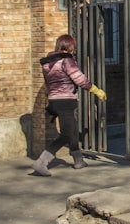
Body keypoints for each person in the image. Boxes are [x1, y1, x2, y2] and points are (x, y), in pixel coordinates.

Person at [30, 34, 106, 176]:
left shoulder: (47, 63)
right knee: (66, 134)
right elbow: (79, 79)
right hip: (65, 100)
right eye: (73, 46)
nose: (73, 49)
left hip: (54, 100)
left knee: (72, 128)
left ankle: (78, 160)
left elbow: (48, 84)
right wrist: (95, 90)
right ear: (69, 46)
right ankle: (42, 162)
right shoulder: (66, 60)